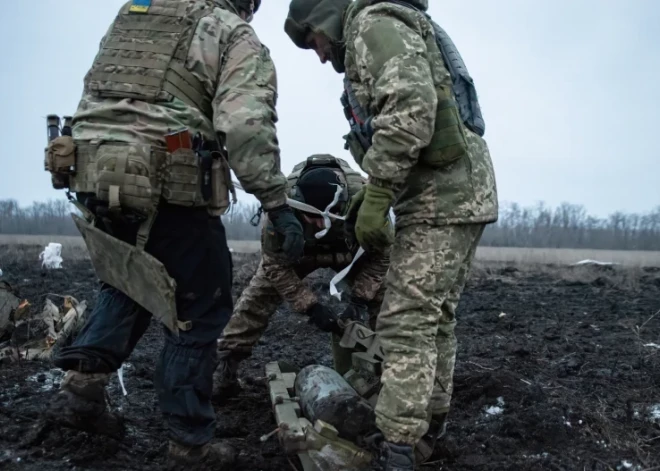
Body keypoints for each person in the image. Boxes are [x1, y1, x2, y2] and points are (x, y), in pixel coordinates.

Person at [43, 0, 305, 467]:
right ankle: (190, 443)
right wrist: (275, 201)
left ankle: (80, 393)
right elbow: (245, 125)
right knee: (200, 309)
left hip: (89, 173)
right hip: (168, 184)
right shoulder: (230, 32)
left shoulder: (136, 12)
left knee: (128, 283)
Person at [283, 1, 499, 469]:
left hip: (440, 199)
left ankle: (397, 448)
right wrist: (373, 196)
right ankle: (427, 429)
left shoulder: (372, 24)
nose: (320, 55)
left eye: (315, 41)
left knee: (404, 323)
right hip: (458, 194)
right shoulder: (385, 23)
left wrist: (378, 192)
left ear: (323, 18)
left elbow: (410, 106)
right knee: (435, 318)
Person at [213, 154, 390, 399]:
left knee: (390, 303)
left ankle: (394, 376)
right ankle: (223, 373)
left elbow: (382, 258)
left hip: (352, 253)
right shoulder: (280, 210)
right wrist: (310, 306)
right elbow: (274, 266)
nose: (321, 225)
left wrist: (360, 299)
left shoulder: (365, 204)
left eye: (329, 215)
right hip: (298, 253)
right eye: (313, 217)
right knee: (255, 302)